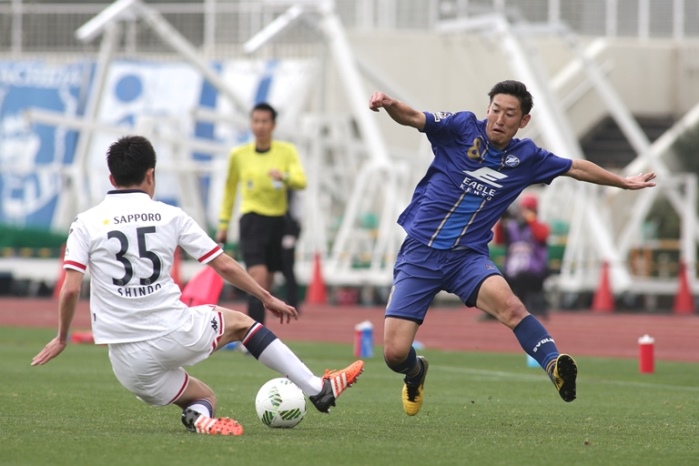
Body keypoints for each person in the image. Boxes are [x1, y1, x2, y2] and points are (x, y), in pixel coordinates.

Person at [31, 135, 363, 436]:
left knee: (203, 396)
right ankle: (317, 388)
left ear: (111, 178)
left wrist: (62, 337)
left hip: (127, 363)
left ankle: (199, 417)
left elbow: (70, 289)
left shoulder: (85, 223)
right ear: (151, 175)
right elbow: (223, 264)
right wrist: (266, 297)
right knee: (241, 324)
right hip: (174, 333)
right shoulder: (169, 216)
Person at [368, 80, 656, 416]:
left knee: (512, 307)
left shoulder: (527, 157)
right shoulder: (461, 127)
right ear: (487, 109)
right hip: (420, 254)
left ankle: (554, 365)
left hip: (466, 259)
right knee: (394, 354)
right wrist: (390, 104)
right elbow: (415, 117)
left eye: (509, 114)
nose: (500, 119)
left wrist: (622, 182)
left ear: (523, 120)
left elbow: (575, 167)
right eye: (495, 110)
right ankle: (416, 372)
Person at [215, 102, 306, 326]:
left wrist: (284, 177)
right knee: (258, 279)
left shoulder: (286, 151)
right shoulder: (239, 154)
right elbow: (230, 190)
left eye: (265, 121)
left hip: (277, 222)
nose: (260, 126)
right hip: (251, 220)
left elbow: (301, 181)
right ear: (251, 124)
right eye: (256, 121)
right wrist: (223, 224)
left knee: (267, 284)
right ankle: (253, 335)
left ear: (273, 125)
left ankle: (259, 331)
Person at [482, 193, 551, 321]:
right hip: (512, 269)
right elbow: (499, 241)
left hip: (534, 271)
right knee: (492, 278)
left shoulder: (539, 226)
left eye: (529, 209)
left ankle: (521, 311)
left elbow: (542, 235)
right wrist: (502, 219)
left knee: (522, 278)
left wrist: (531, 220)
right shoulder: (512, 227)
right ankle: (492, 312)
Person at [281, 189, 302, 312]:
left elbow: (298, 214)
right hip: (280, 229)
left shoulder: (292, 191)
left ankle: (293, 302)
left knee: (288, 269)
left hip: (289, 229)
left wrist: (294, 234)